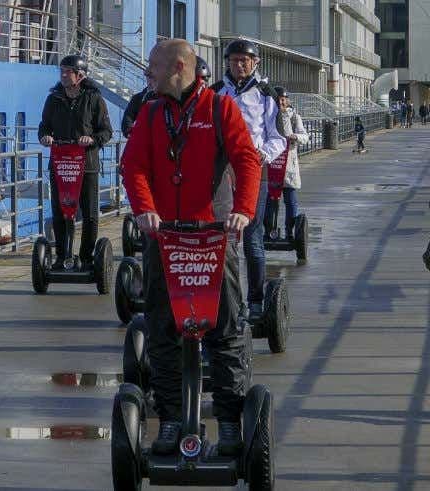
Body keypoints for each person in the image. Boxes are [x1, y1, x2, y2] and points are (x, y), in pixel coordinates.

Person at [122, 38, 262, 458]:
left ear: (179, 67)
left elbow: (247, 160)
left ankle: (230, 422)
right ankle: (169, 419)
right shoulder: (150, 112)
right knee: (163, 331)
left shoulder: (220, 109)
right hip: (164, 238)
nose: (148, 73)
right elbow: (133, 165)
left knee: (226, 331)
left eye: (153, 66)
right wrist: (145, 209)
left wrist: (243, 211)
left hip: (214, 236)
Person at [212, 39, 285, 320]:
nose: (239, 65)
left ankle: (255, 300)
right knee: (222, 238)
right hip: (221, 173)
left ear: (255, 63)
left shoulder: (265, 94)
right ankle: (225, 302)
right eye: (234, 60)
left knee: (253, 239)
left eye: (244, 60)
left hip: (255, 171)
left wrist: (262, 154)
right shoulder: (216, 93)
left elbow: (278, 137)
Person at [37, 54, 114, 270]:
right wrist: (45, 137)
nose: (63, 75)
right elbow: (44, 126)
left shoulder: (94, 98)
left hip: (86, 165)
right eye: (61, 71)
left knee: (89, 214)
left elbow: (106, 131)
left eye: (67, 72)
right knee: (60, 212)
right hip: (60, 165)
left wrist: (92, 140)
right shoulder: (54, 99)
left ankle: (87, 258)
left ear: (80, 75)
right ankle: (62, 257)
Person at [268, 86, 308, 257]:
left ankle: (289, 232)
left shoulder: (294, 117)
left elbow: (305, 136)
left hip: (289, 168)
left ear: (288, 100)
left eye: (283, 99)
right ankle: (269, 231)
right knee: (270, 202)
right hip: (272, 167)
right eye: (278, 99)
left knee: (290, 202)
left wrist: (295, 137)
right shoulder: (268, 115)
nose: (281, 102)